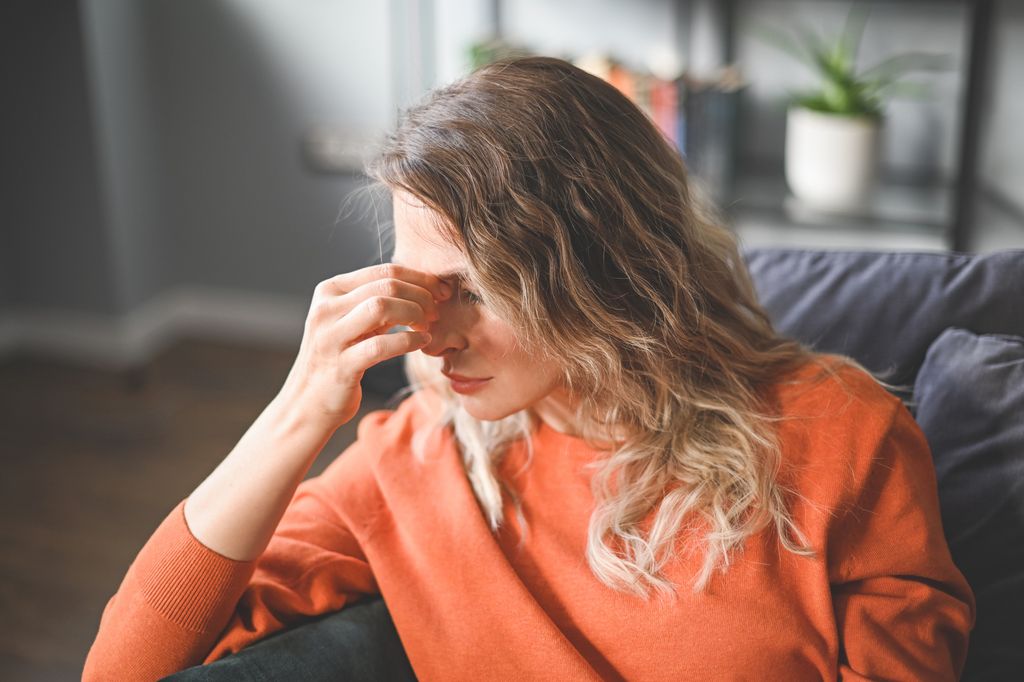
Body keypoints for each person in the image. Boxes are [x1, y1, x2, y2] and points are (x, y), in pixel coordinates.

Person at [83, 56, 975, 681]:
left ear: (606, 263)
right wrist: (294, 414)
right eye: (420, 288)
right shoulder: (410, 463)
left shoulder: (841, 438)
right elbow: (122, 670)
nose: (436, 335)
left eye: (475, 289)